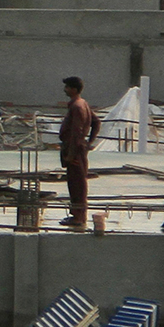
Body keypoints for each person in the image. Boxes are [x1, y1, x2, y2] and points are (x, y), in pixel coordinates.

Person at [59, 75, 102, 228]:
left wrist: (71, 155)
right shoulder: (82, 104)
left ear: (74, 89)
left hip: (75, 150)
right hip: (79, 149)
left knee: (77, 184)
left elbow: (76, 133)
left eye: (67, 87)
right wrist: (89, 142)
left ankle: (78, 217)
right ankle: (76, 214)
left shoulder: (77, 106)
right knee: (77, 183)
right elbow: (96, 123)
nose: (65, 90)